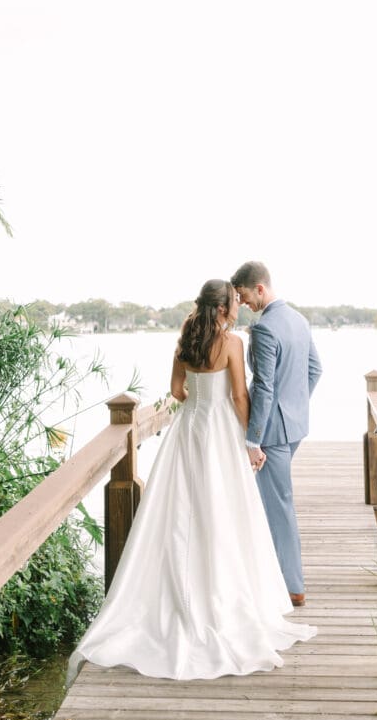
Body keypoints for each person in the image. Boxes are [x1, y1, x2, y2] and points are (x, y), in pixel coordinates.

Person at [67, 279, 316, 683]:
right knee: (226, 512)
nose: (237, 307)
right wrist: (252, 443)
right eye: (234, 302)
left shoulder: (185, 340)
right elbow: (239, 397)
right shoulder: (232, 343)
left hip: (188, 432)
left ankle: (178, 594)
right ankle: (223, 599)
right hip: (221, 433)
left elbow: (176, 390)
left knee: (181, 513)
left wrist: (197, 402)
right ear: (222, 309)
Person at [231, 261, 322, 607]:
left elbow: (265, 387)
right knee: (271, 501)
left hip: (270, 432)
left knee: (279, 505)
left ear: (259, 289)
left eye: (244, 297)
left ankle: (293, 587)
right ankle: (271, 577)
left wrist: (253, 438)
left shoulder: (265, 328)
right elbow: (315, 369)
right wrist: (295, 405)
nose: (243, 305)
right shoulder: (299, 319)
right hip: (294, 426)